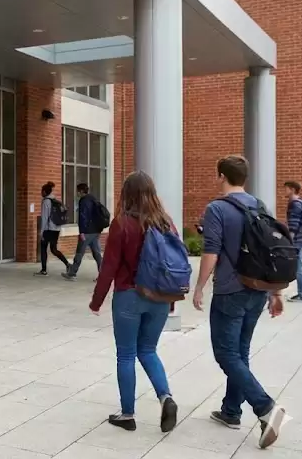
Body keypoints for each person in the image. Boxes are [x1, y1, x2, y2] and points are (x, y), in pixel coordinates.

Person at [192, 155, 287, 449]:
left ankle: (266, 407)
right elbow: (269, 249)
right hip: (256, 289)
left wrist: (199, 287)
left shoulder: (217, 208)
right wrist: (275, 292)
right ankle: (231, 411)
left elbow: (211, 252)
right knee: (240, 352)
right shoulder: (259, 205)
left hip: (230, 291)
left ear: (221, 176)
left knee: (226, 354)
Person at [89, 171, 178, 433]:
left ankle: (127, 414)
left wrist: (97, 301)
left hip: (129, 295)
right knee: (148, 350)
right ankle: (165, 397)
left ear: (127, 193)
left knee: (126, 354)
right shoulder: (166, 222)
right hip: (160, 297)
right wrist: (171, 300)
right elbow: (173, 263)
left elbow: (109, 267)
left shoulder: (122, 224)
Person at [65, 182, 105, 281]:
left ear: (81, 191)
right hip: (96, 231)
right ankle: (103, 275)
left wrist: (81, 231)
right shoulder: (93, 199)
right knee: (97, 253)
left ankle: (72, 273)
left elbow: (83, 217)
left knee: (79, 252)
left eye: (78, 191)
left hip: (86, 231)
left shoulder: (83, 201)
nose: (77, 193)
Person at [285, 180, 302, 302]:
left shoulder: (295, 204)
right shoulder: (301, 201)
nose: (284, 191)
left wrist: (289, 241)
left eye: (286, 188)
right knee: (300, 264)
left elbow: (293, 225)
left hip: (298, 239)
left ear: (292, 189)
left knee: (298, 266)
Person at [37, 182, 71, 276]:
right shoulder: (55, 201)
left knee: (43, 248)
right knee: (54, 249)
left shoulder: (46, 202)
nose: (41, 193)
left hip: (48, 229)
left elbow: (44, 218)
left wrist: (41, 232)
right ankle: (67, 264)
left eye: (42, 191)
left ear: (44, 192)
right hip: (56, 229)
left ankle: (44, 270)